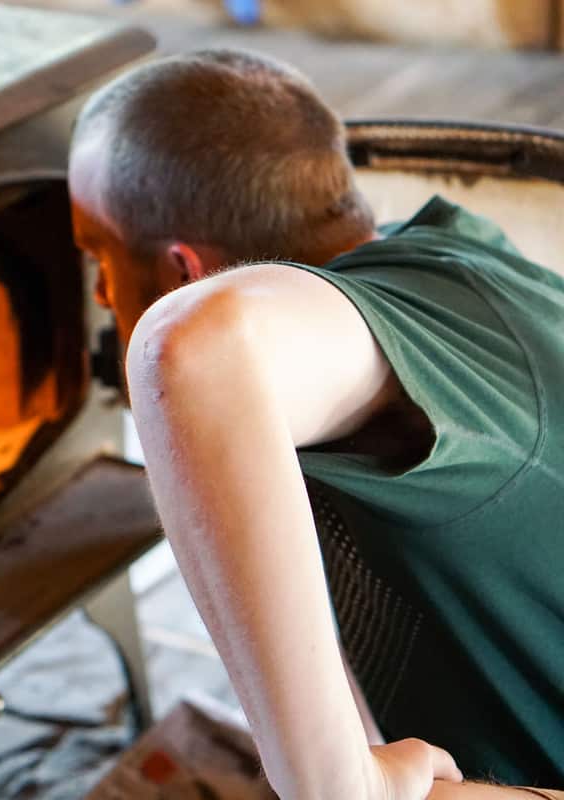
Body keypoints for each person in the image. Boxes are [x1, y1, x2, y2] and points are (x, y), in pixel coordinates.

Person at [68, 48, 564, 800]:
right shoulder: (452, 254)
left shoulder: (376, 333)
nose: (102, 295)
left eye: (97, 254)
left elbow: (191, 347)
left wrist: (338, 786)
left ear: (183, 270)